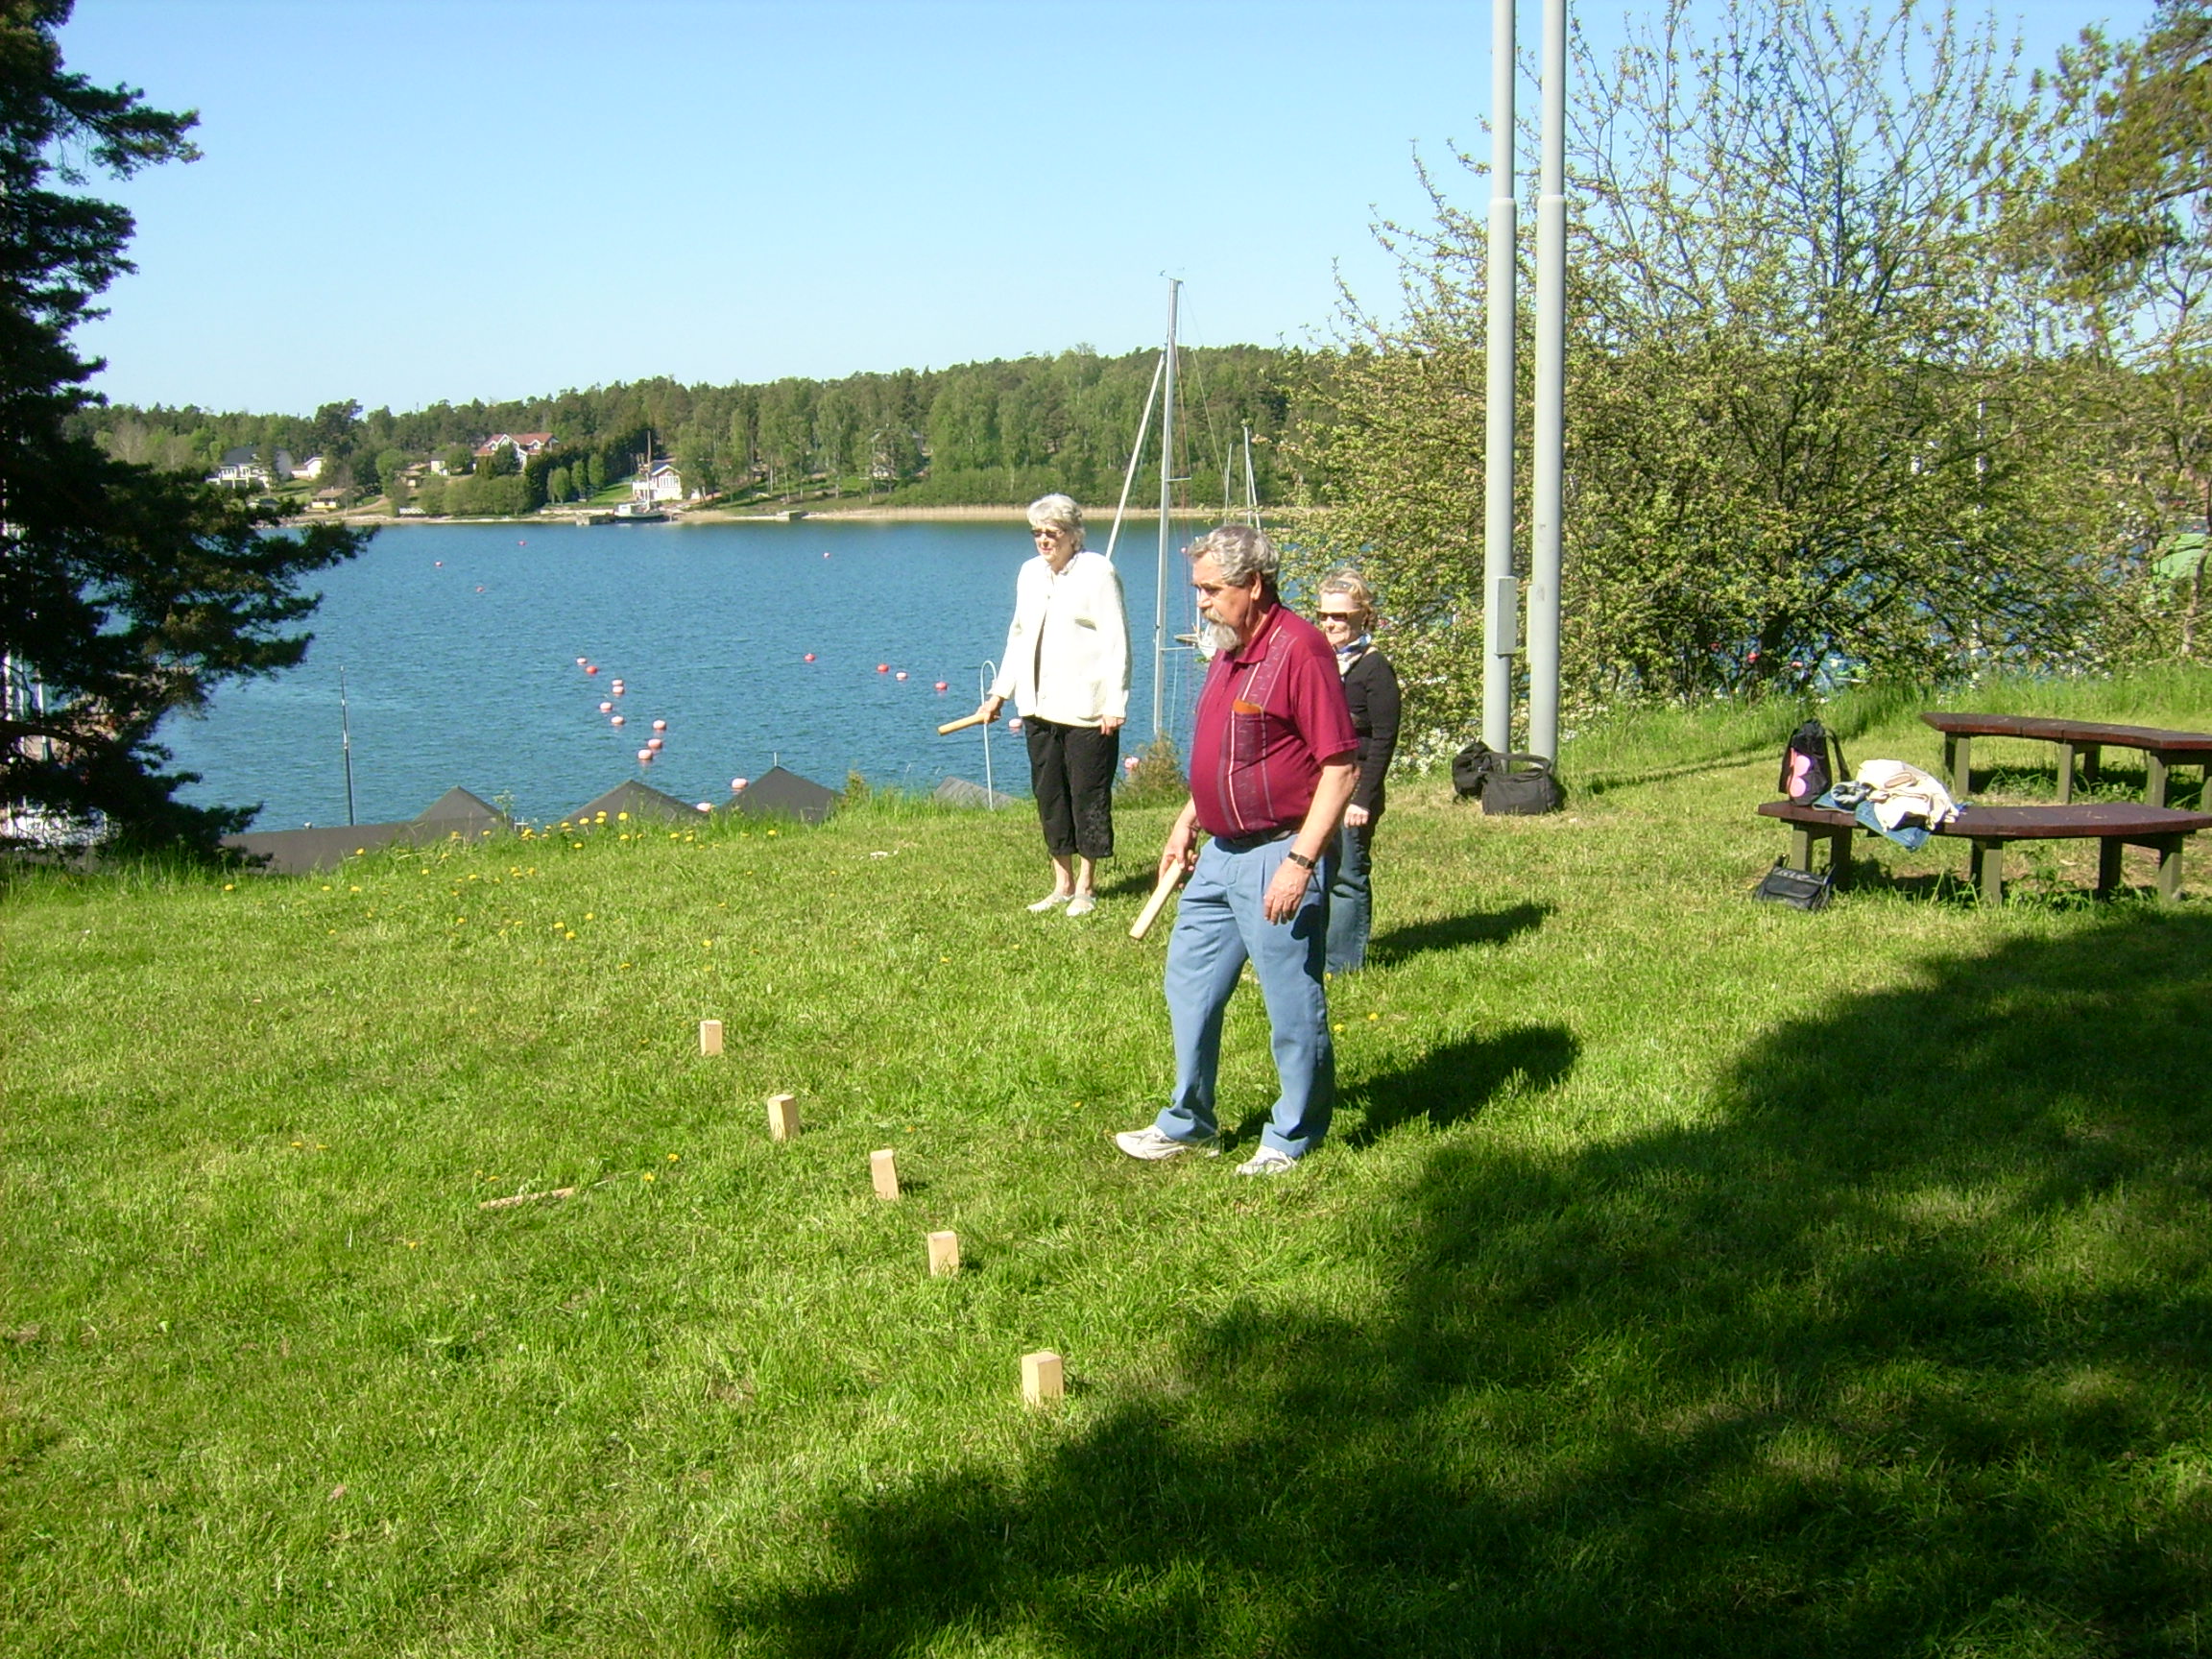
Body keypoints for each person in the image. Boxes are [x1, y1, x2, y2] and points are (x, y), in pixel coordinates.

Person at [1115, 525, 1357, 1176]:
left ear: (1253, 585)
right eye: (1197, 589)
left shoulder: (1300, 650)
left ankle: (1292, 1137)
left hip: (1280, 850)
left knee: (1291, 1001)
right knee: (1189, 983)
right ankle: (1189, 1122)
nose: (1200, 602)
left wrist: (1301, 864)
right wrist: (1187, 819)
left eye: (1210, 589)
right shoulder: (1227, 648)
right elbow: (1226, 752)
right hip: (1220, 854)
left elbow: (1341, 769)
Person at [975, 495, 1130, 917]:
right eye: (1037, 533)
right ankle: (1062, 883)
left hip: (1087, 709)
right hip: (1037, 705)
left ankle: (1086, 886)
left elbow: (1117, 641)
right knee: (1050, 795)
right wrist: (999, 694)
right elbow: (1019, 637)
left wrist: (1114, 702)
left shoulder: (1098, 572)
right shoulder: (1030, 573)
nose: (1044, 540)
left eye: (1052, 533)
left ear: (1074, 536)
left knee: (1087, 795)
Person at [1314, 569, 1401, 974]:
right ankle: (1312, 955)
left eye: (1341, 616)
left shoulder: (1374, 669)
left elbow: (1384, 738)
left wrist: (1363, 799)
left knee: (1348, 875)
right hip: (1318, 784)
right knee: (1314, 870)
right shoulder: (1320, 661)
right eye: (1324, 615)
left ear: (1363, 616)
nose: (1331, 624)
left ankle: (1343, 965)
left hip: (1356, 787)